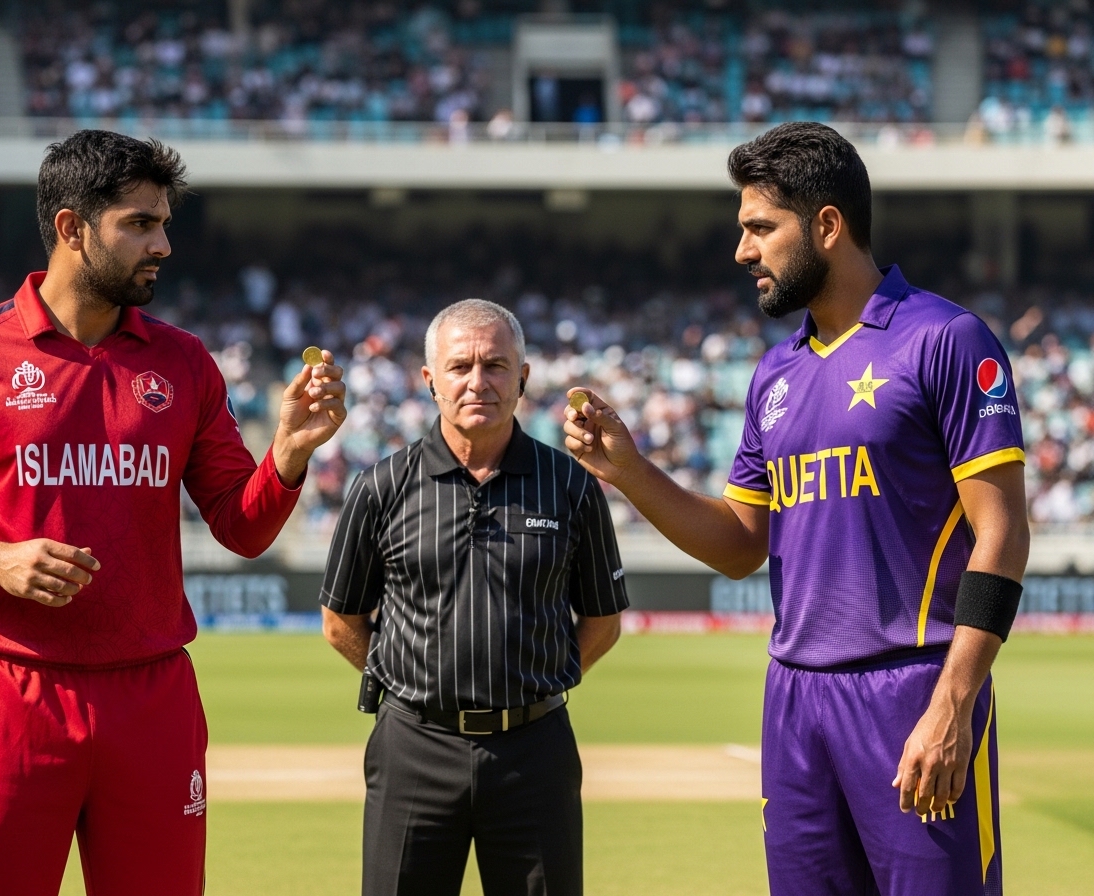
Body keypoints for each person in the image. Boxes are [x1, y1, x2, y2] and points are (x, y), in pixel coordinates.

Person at [0, 130, 347, 896]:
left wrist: (286, 453)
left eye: (165, 223)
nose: (165, 244)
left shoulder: (184, 362)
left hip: (153, 700)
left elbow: (241, 528)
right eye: (140, 224)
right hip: (12, 695)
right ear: (72, 228)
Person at [564, 122, 1028, 896]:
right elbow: (742, 543)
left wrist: (955, 701)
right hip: (795, 701)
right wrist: (630, 472)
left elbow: (1003, 534)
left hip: (913, 691)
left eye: (759, 228)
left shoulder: (946, 339)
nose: (743, 251)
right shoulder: (774, 375)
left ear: (827, 225)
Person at [320, 299, 627, 896]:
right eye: (460, 367)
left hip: (534, 752)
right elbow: (340, 620)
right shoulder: (381, 486)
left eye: (495, 365)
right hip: (413, 748)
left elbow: (603, 621)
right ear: (430, 380)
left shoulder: (569, 484)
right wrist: (415, 687)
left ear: (523, 377)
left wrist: (533, 683)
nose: (477, 381)